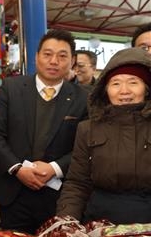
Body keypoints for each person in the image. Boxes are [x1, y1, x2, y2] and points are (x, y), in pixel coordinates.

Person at [0, 29, 89, 235]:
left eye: (62, 56)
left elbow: (85, 146)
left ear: (72, 61)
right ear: (36, 56)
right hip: (13, 189)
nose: (54, 61)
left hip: (59, 194)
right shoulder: (11, 88)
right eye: (47, 54)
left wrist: (54, 168)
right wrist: (17, 168)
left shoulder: (83, 98)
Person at [57, 47, 151, 223]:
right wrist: (65, 221)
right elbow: (77, 183)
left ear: (146, 89)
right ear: (105, 90)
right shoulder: (88, 129)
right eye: (115, 83)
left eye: (133, 82)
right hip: (101, 223)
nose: (124, 91)